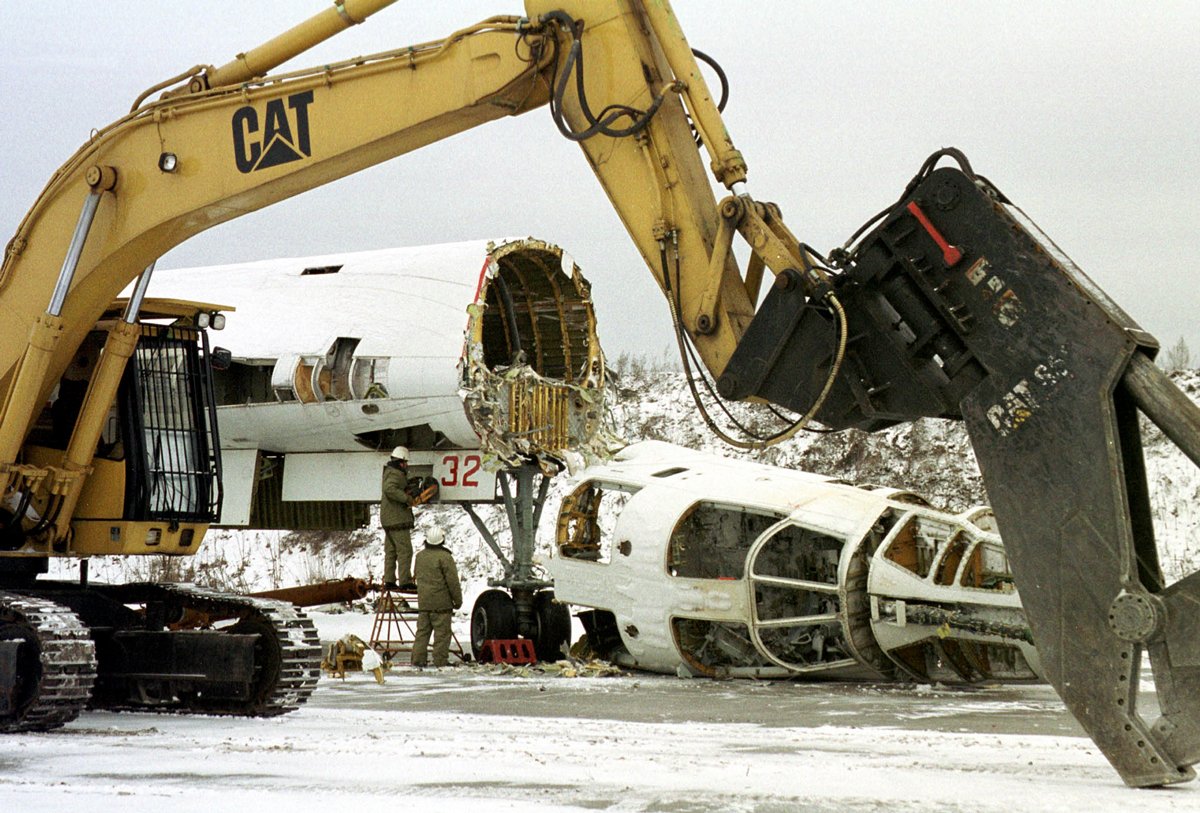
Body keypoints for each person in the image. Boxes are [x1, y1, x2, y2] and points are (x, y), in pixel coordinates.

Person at [410, 526, 463, 668]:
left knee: (422, 633)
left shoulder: (419, 556)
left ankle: (418, 660)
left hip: (424, 603)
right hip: (441, 604)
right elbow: (452, 582)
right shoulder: (445, 557)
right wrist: (457, 601)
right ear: (442, 540)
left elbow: (417, 576)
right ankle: (440, 661)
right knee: (442, 635)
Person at [379, 445, 416, 590]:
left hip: (388, 519)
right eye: (405, 463)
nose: (406, 466)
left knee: (391, 551)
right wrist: (406, 498)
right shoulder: (396, 474)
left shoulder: (389, 472)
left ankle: (389, 580)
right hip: (398, 519)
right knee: (405, 551)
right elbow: (390, 489)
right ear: (401, 462)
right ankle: (405, 582)